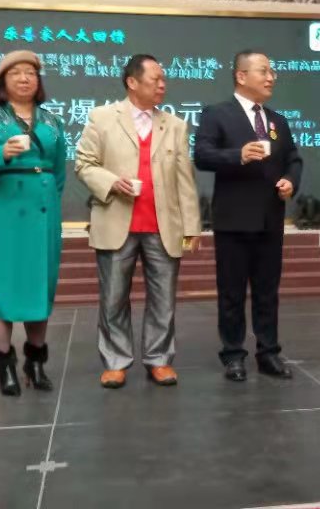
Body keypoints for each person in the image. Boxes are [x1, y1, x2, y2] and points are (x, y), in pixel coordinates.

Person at [76, 54, 201, 389]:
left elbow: (185, 180)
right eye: (155, 79)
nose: (162, 85)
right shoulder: (102, 118)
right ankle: (116, 362)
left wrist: (192, 226)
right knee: (113, 298)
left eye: (163, 79)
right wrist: (110, 182)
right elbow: (84, 164)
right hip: (116, 221)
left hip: (164, 225)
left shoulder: (175, 125)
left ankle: (159, 359)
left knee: (164, 299)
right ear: (132, 82)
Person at [195, 49, 302, 382]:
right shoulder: (217, 114)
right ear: (241, 76)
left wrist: (291, 181)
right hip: (234, 218)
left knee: (268, 290)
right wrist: (237, 155)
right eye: (264, 71)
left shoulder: (277, 120)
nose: (271, 77)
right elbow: (202, 155)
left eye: (272, 72)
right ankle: (233, 354)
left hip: (270, 217)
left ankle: (268, 352)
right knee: (232, 291)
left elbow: (293, 159)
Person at [0, 51, 65, 396]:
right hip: (6, 211)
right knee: (4, 286)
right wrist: (3, 154)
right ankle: (5, 363)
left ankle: (35, 362)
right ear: (2, 81)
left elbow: (59, 170)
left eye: (31, 73)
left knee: (40, 285)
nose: (24, 78)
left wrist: (50, 201)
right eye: (16, 73)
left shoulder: (52, 120)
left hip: (43, 211)